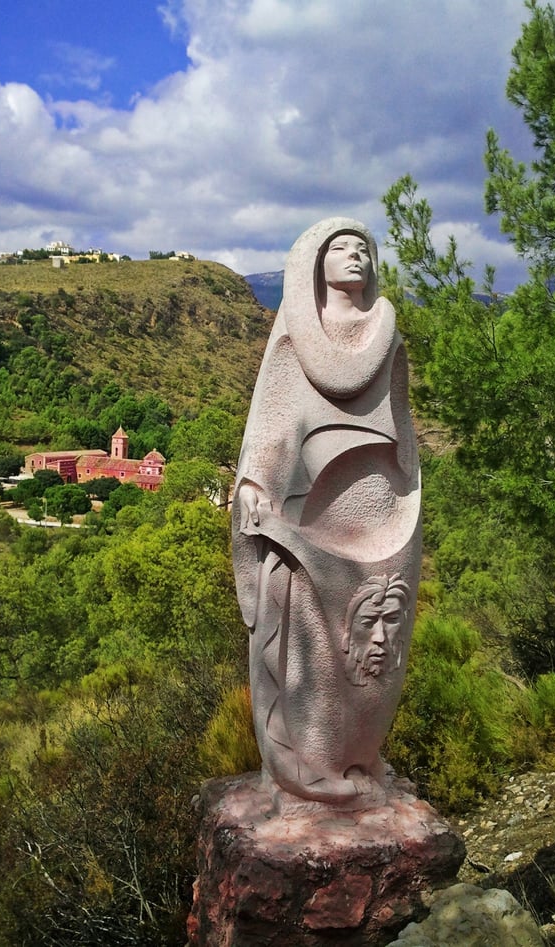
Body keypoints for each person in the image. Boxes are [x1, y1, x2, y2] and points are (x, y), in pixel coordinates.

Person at [232, 217, 421, 805]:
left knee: (380, 642)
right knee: (312, 643)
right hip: (312, 517)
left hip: (384, 511)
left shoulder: (388, 334)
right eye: (339, 247)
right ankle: (311, 766)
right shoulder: (293, 333)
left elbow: (403, 427)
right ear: (317, 263)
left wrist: (410, 491)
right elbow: (274, 419)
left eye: (362, 247)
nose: (354, 255)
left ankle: (362, 754)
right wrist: (256, 482)